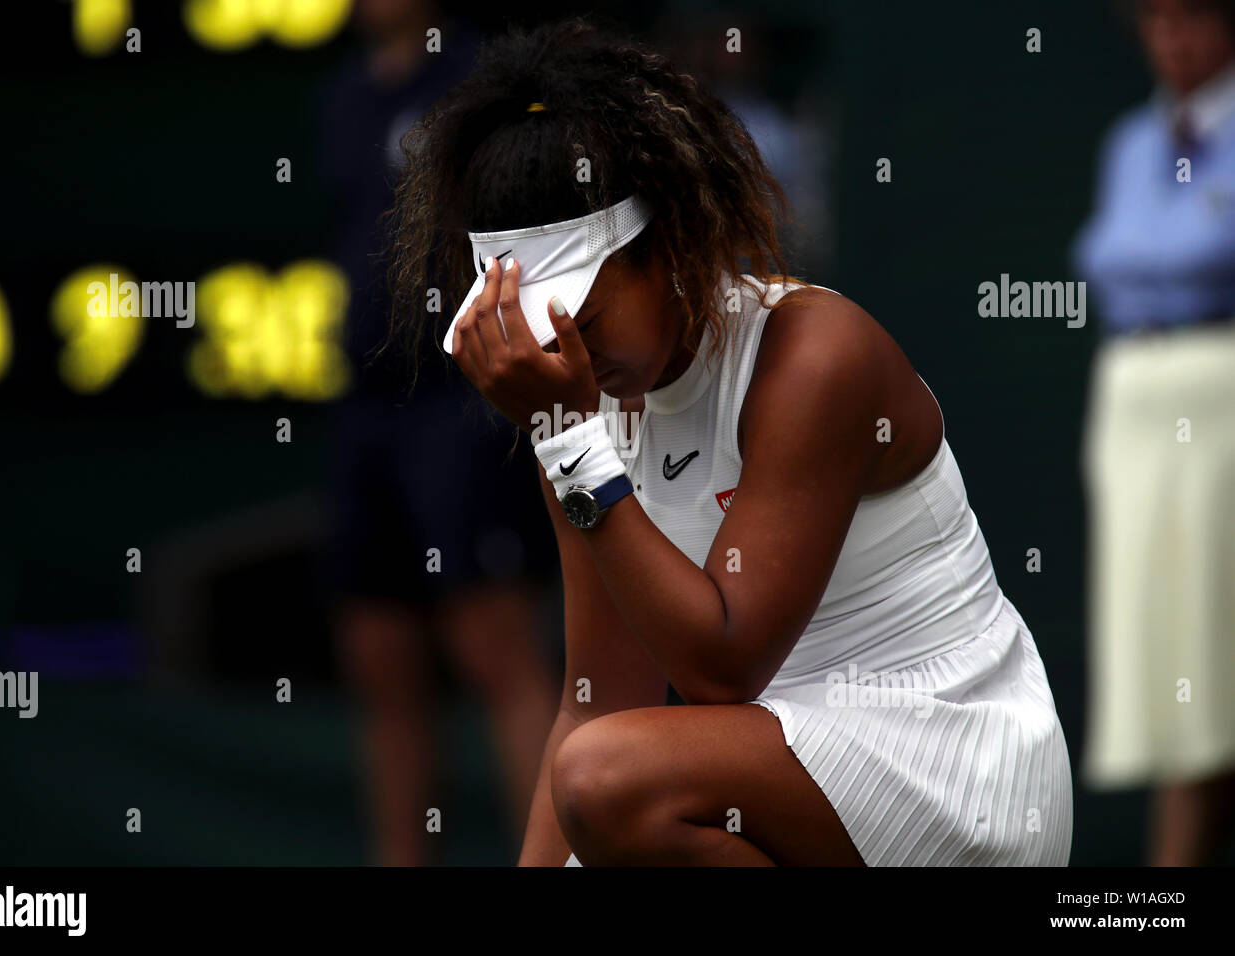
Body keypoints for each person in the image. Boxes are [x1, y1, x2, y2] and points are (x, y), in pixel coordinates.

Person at [383, 15, 1074, 865]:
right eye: (543, 331)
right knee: (597, 781)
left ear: (669, 246)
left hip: (957, 771)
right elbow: (600, 700)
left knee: (606, 782)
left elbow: (721, 669)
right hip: (786, 774)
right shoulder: (573, 405)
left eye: (585, 316)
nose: (569, 352)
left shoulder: (815, 357)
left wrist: (569, 443)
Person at [319, 0, 558, 866]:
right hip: (364, 407)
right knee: (378, 654)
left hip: (457, 398)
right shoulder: (344, 97)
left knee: (495, 644)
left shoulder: (475, 81)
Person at [1073, 0, 1235, 866]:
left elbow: (1159, 254)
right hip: (1134, 406)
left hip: (1222, 408)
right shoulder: (1131, 143)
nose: (1175, 40)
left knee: (1218, 656)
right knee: (1173, 661)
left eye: (1194, 18)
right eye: (1157, 20)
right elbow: (1123, 256)